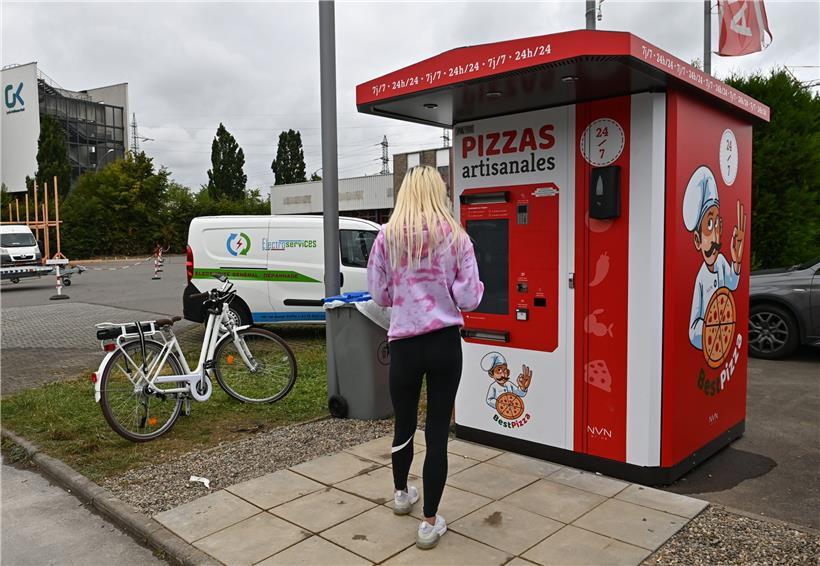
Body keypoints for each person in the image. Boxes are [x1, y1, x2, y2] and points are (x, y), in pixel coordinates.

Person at [367, 165, 484, 549]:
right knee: (437, 432)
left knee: (403, 423)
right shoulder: (456, 237)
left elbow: (380, 295)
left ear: (404, 193)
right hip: (444, 343)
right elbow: (469, 298)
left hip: (404, 343)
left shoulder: (386, 237)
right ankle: (430, 522)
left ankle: (402, 495)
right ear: (439, 193)